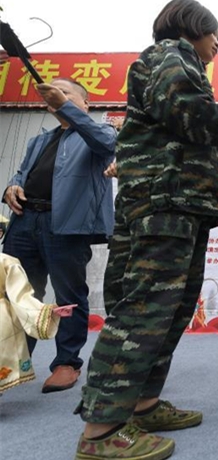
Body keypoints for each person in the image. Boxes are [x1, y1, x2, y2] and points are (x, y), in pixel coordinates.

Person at [74, 1, 218, 459]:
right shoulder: (169, 57)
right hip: (163, 203)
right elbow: (192, 113)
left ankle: (143, 404)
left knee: (171, 311)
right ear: (194, 26)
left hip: (182, 206)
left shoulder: (185, 65)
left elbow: (197, 127)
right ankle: (101, 430)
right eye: (215, 33)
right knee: (144, 311)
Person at [2, 77, 116, 394]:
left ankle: (67, 363)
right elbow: (21, 173)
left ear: (85, 104)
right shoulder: (39, 141)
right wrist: (11, 186)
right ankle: (12, 361)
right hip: (24, 222)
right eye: (52, 93)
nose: (55, 96)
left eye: (65, 92)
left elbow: (107, 145)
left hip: (64, 225)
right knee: (19, 296)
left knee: (69, 297)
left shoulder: (98, 133)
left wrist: (63, 103)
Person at [0, 254, 74, 393]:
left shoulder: (6, 262)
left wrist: (48, 312)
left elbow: (21, 298)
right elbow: (21, 298)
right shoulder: (5, 261)